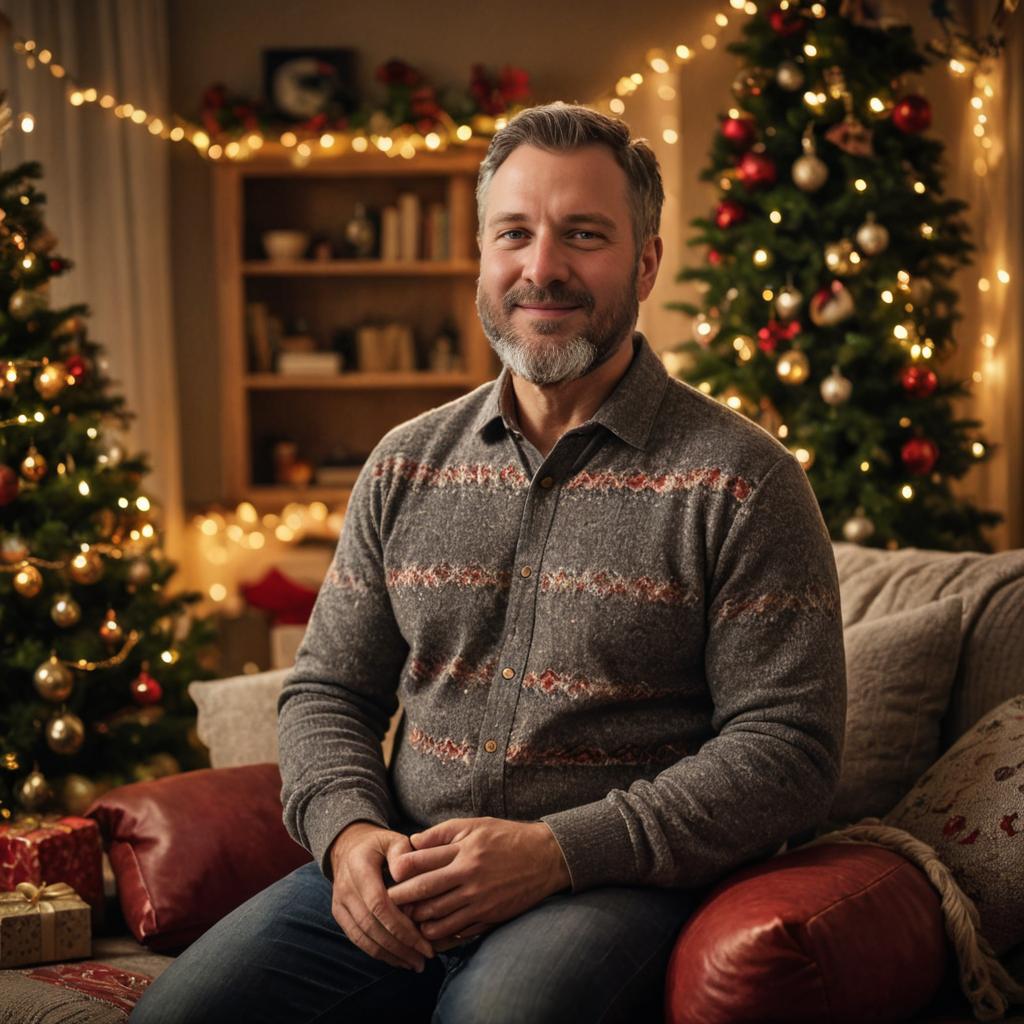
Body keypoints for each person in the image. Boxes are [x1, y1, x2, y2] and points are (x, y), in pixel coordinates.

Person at [131, 102, 845, 1024]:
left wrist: (554, 850)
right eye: (515, 233)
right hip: (400, 871)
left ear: (647, 261)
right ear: (481, 254)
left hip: (607, 887)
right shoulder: (404, 463)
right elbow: (327, 694)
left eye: (583, 235)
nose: (542, 268)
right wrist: (348, 837)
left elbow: (788, 752)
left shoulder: (744, 481)